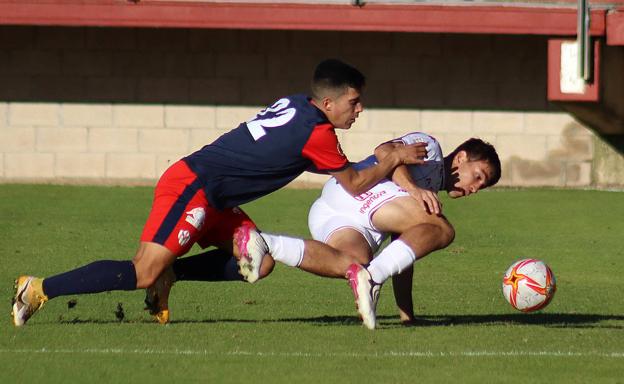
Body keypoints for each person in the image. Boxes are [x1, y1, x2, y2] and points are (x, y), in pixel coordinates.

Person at [11, 59, 427, 327]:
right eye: (354, 103)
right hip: (192, 186)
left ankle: (172, 273)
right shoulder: (316, 133)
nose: (359, 110)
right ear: (330, 101)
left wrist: (387, 160)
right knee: (142, 271)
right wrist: (392, 159)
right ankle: (38, 287)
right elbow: (354, 184)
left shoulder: (299, 105)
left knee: (257, 264)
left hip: (216, 198)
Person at [149, 133, 501, 330]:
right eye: (478, 177)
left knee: (353, 262)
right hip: (359, 192)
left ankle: (265, 242)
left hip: (332, 211)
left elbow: (405, 256)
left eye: (481, 187)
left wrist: (407, 315)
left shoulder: (423, 204)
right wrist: (413, 189)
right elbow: (385, 152)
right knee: (442, 229)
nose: (474, 188)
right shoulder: (432, 150)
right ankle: (373, 278)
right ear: (462, 158)